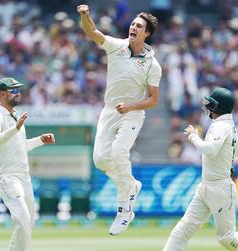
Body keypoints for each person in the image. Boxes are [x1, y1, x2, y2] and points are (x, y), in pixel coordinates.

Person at [77, 4, 162, 236]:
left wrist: (130, 107)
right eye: (133, 24)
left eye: (139, 26)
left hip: (133, 112)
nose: (134, 27)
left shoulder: (153, 65)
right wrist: (85, 16)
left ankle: (124, 210)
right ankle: (131, 184)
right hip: (109, 110)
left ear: (147, 34)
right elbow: (92, 33)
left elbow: (154, 100)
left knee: (117, 153)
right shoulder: (116, 46)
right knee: (100, 160)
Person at [163, 87, 238, 251]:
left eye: (211, 104)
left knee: (227, 238)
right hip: (206, 186)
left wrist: (193, 136)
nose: (208, 107)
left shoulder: (221, 126)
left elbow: (210, 149)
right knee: (182, 230)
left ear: (218, 107)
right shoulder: (228, 124)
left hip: (220, 188)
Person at [0, 77, 56, 251]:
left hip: (24, 176)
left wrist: (40, 140)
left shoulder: (16, 116)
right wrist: (15, 129)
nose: (18, 93)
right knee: (23, 218)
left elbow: (20, 146)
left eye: (19, 90)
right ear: (2, 94)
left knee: (29, 221)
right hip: (7, 177)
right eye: (13, 90)